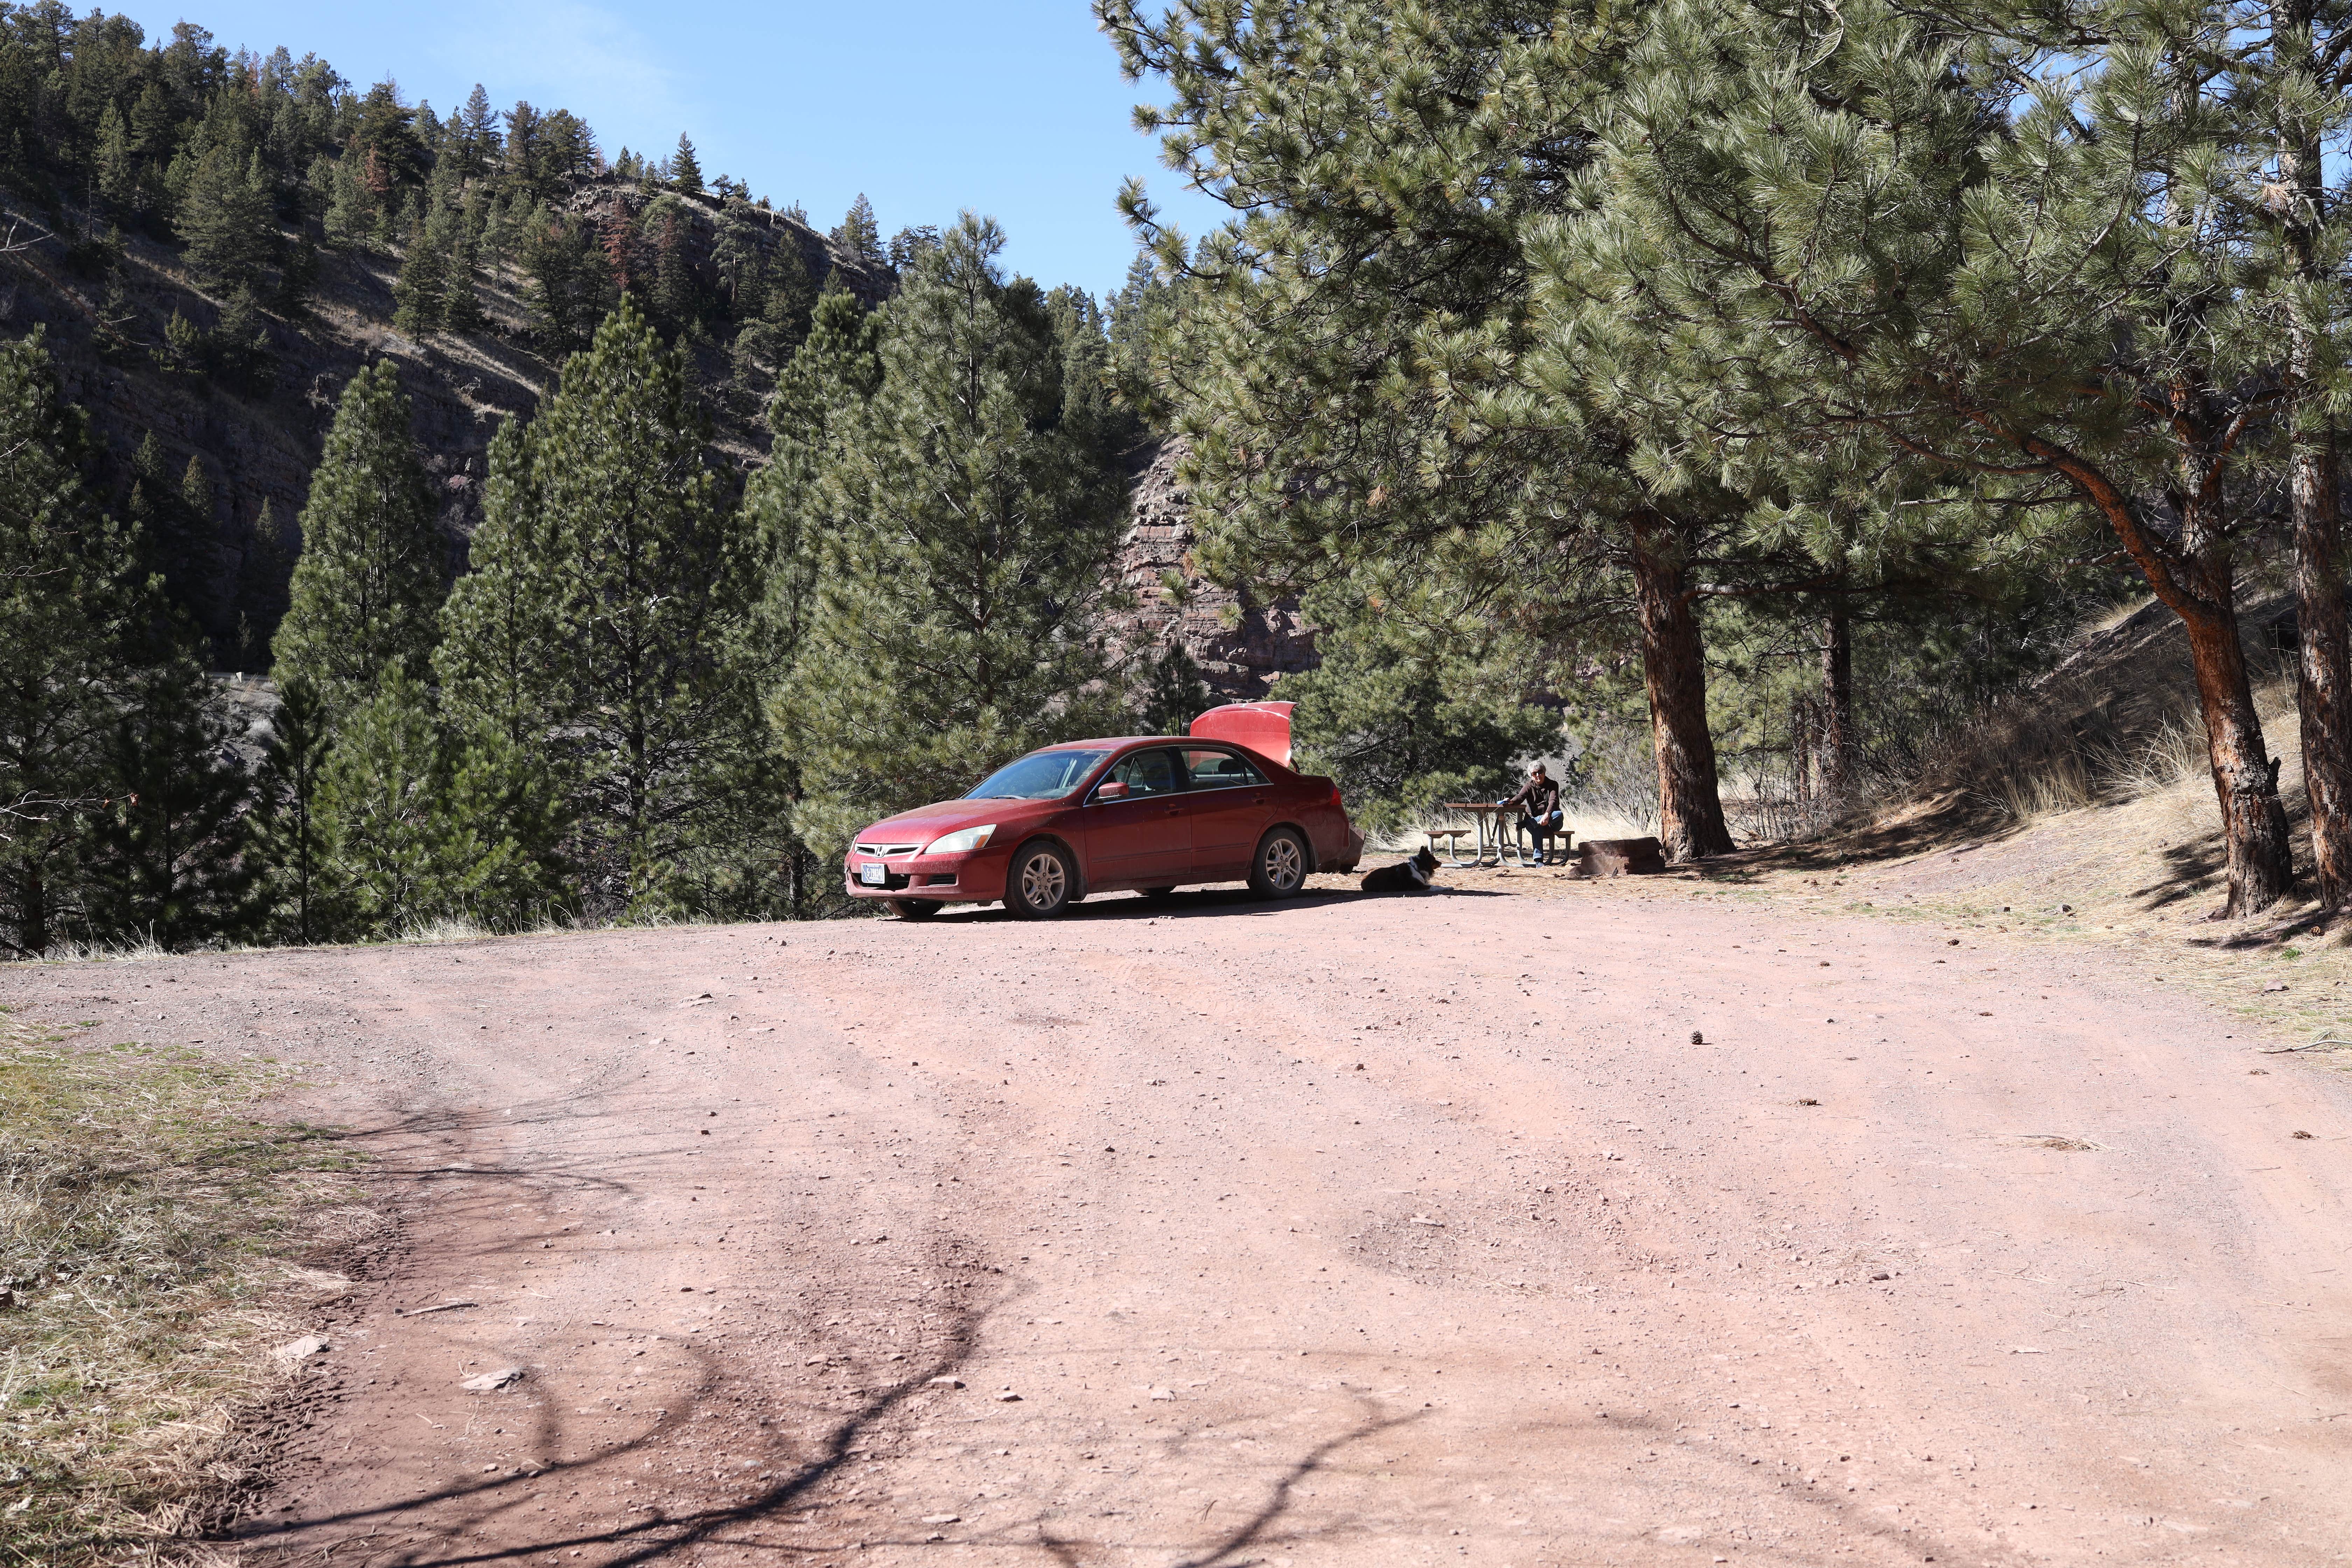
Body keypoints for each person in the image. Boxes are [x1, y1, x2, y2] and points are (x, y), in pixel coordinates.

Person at [1498, 764, 1565, 863]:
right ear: (1531, 775)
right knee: (1537, 826)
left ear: (1544, 772)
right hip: (1536, 822)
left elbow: (1553, 801)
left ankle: (1526, 823)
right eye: (1535, 773)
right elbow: (1520, 797)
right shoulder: (1529, 786)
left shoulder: (1553, 784)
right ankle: (1539, 860)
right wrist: (1511, 801)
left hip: (1552, 822)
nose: (1538, 775)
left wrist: (1547, 814)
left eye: (1540, 772)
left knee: (1559, 815)